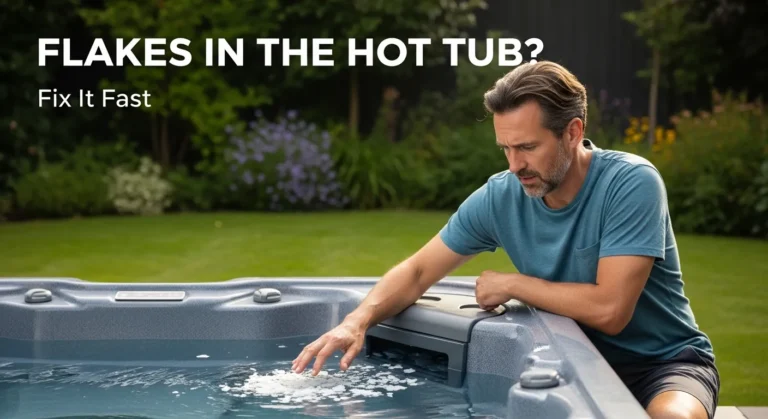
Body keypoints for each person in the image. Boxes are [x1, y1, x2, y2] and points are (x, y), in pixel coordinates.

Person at [292, 61, 719, 419]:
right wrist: (356, 322)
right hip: (569, 369)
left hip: (664, 367)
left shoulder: (630, 184)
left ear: (572, 132)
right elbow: (419, 270)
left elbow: (610, 310)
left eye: (528, 147)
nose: (515, 165)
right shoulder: (502, 195)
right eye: (506, 149)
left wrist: (513, 284)